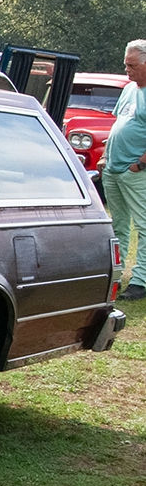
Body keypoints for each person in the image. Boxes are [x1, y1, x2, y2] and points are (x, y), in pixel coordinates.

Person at [101, 39, 146, 300]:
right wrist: (106, 155)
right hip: (114, 168)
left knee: (143, 224)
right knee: (117, 225)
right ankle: (116, 273)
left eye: (132, 65)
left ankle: (141, 280)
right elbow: (119, 123)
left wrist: (139, 164)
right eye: (125, 64)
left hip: (136, 172)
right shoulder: (129, 89)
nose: (127, 70)